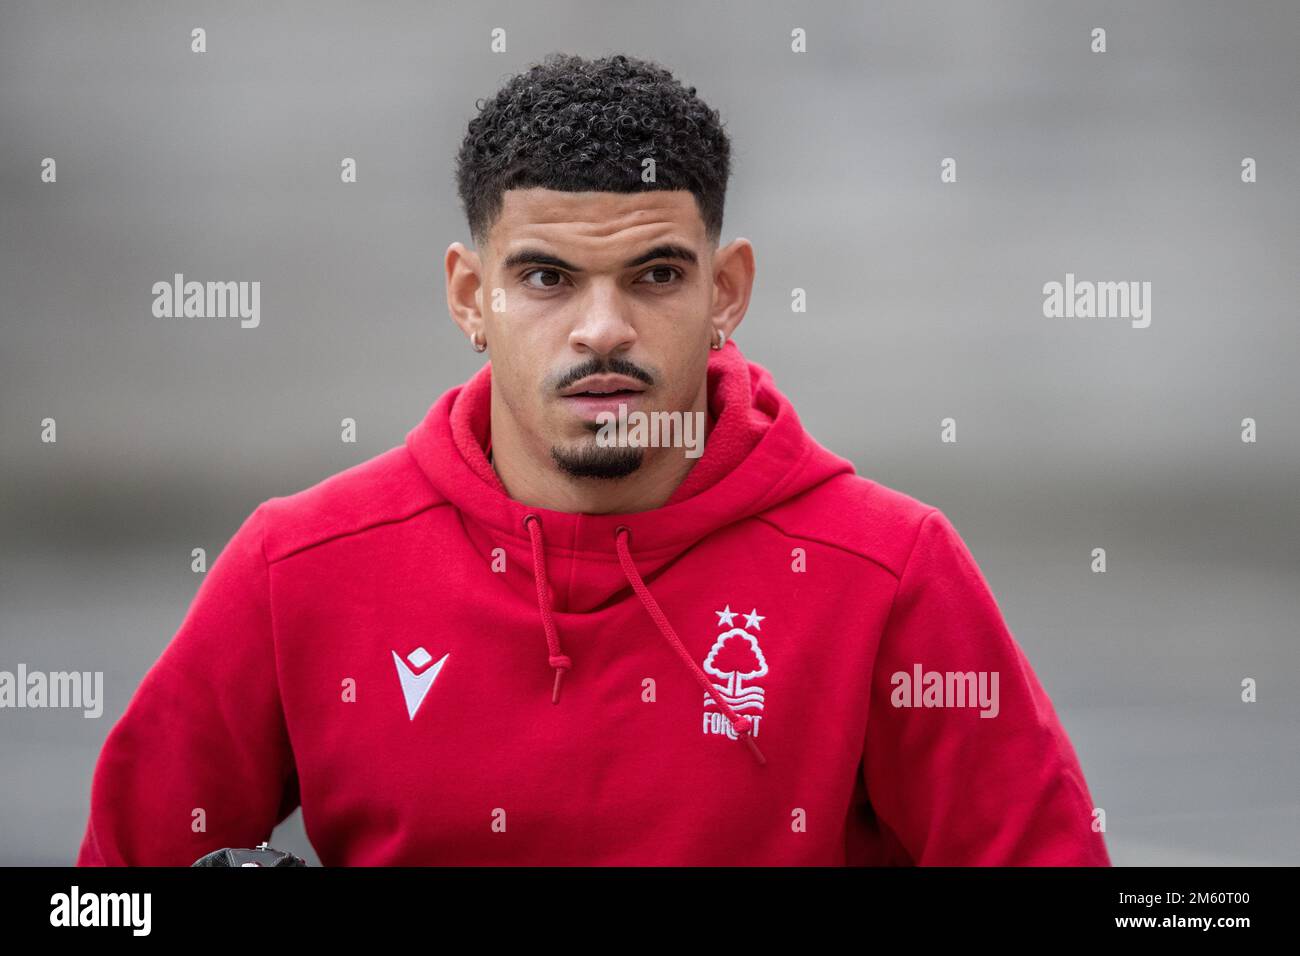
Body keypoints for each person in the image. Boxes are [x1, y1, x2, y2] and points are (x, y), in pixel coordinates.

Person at [77, 52, 1110, 866]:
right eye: (546, 277)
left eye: (656, 273)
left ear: (727, 290)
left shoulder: (888, 570)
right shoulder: (297, 565)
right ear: (469, 295)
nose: (602, 330)